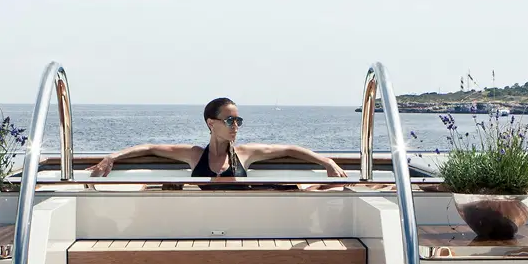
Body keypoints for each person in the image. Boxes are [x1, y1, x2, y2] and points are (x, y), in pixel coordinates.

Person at [88, 97, 348, 180]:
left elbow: (289, 149)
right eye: (230, 120)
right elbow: (152, 148)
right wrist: (112, 157)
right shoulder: (194, 154)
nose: (236, 125)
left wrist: (325, 161)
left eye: (238, 120)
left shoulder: (245, 153)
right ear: (211, 123)